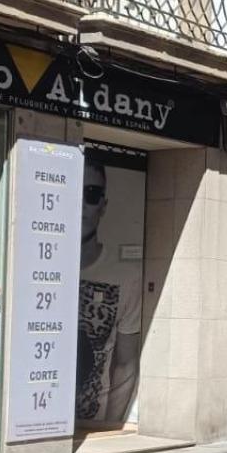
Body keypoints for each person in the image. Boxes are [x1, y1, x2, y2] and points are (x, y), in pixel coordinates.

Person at [77, 159, 142, 427]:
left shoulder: (126, 277)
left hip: (93, 420)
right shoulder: (29, 265)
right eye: (72, 190)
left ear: (103, 206)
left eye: (91, 194)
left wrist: (111, 427)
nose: (80, 204)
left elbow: (125, 363)